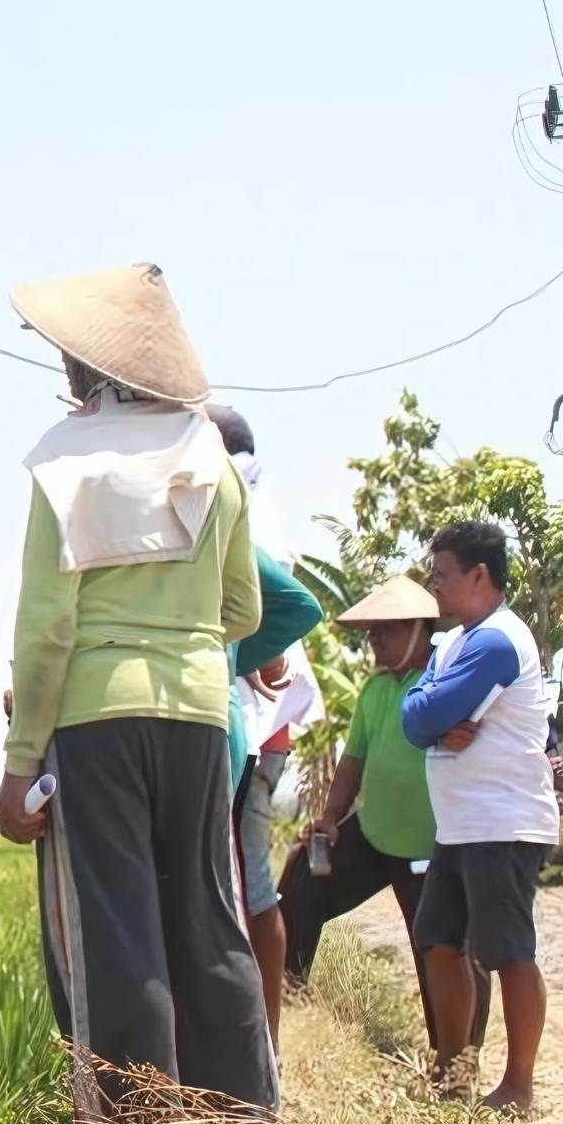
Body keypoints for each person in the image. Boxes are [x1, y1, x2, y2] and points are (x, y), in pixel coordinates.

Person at [0, 262, 277, 1124]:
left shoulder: (64, 462)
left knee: (118, 927)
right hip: (195, 711)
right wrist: (183, 633)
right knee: (207, 911)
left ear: (86, 368)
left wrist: (17, 767)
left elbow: (47, 629)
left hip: (95, 720)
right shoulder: (210, 460)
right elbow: (246, 611)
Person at [274, 575, 490, 1058]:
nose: (373, 640)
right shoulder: (375, 691)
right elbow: (354, 759)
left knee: (441, 946)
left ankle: (456, 1061)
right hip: (375, 834)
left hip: (432, 844)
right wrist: (330, 817)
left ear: (419, 630)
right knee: (301, 886)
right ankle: (290, 1003)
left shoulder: (445, 679)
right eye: (370, 631)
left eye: (386, 630)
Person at [402, 520, 559, 1114]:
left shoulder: (498, 641)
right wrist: (436, 716)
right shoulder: (452, 644)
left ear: (480, 575)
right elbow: (414, 716)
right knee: (438, 940)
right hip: (460, 824)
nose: (433, 587)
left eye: (441, 576)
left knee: (507, 951)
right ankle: (453, 1070)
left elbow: (424, 715)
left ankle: (519, 1086)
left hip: (504, 820)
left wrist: (435, 714)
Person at [205, 406, 324, 1046]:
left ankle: (260, 1045)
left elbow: (272, 612)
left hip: (249, 730)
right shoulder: (249, 496)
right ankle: (258, 1043)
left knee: (243, 880)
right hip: (253, 728)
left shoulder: (236, 497)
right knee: (242, 877)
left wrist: (248, 656)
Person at [224, 548, 321, 1048]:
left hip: (252, 743)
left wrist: (247, 654)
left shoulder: (231, 509)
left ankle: (265, 1049)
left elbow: (288, 614)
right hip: (253, 739)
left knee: (249, 890)